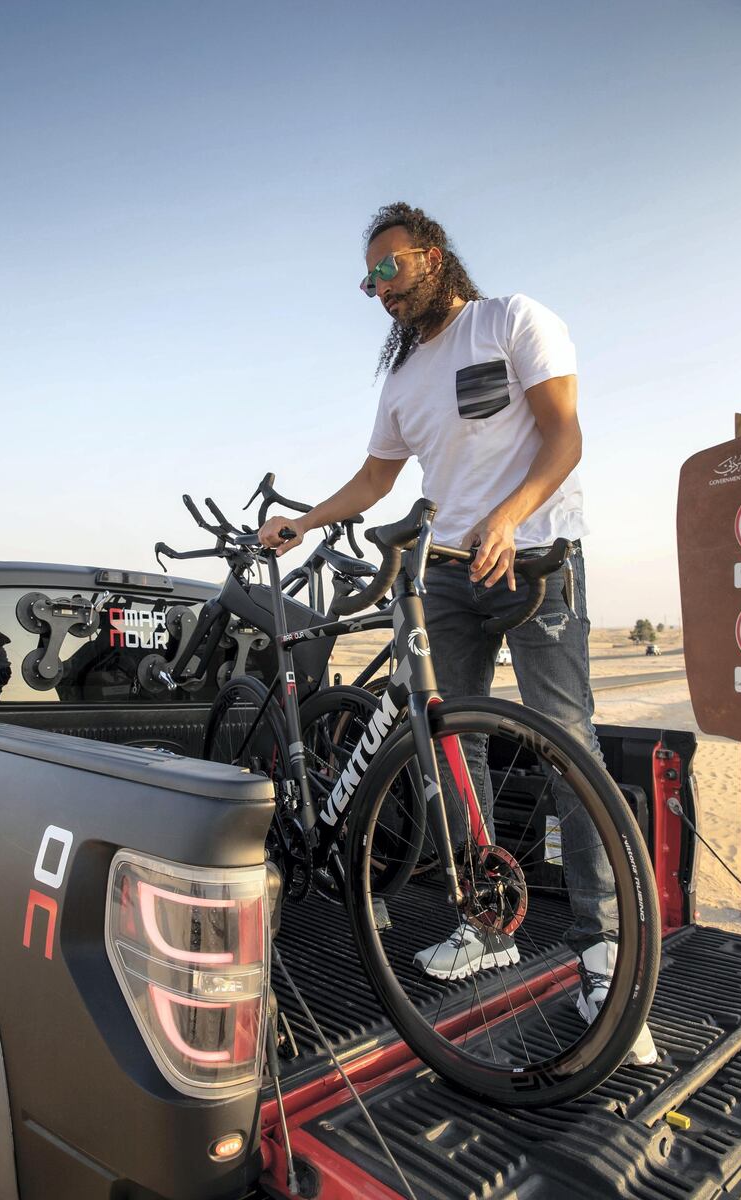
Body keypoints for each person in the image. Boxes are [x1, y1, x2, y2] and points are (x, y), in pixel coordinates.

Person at [259, 201, 656, 1066]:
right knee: (451, 747)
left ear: (432, 258)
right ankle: (487, 923)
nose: (379, 291)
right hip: (445, 572)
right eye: (367, 281)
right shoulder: (402, 381)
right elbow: (374, 478)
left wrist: (510, 519)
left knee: (568, 745)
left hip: (535, 559)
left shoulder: (511, 320)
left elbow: (564, 435)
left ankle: (605, 957)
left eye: (390, 271)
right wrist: (304, 521)